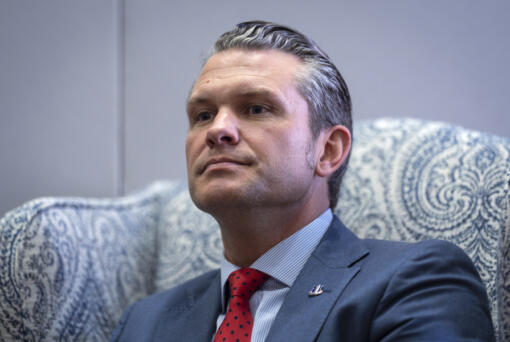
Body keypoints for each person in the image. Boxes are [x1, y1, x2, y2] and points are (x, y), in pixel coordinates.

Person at [110, 21, 494, 341]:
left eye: (256, 108)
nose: (218, 130)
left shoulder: (416, 280)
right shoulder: (144, 323)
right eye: (204, 114)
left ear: (328, 150)